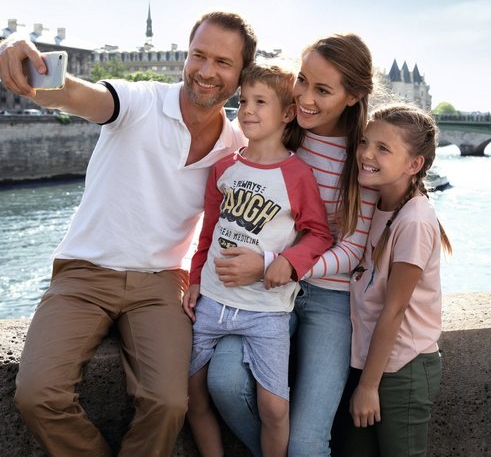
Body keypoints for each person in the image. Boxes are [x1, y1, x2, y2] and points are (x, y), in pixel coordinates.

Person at [0, 11, 257, 457]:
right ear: (185, 56)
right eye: (198, 55)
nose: (206, 71)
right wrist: (13, 48)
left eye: (223, 62)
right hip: (84, 273)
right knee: (38, 394)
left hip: (160, 284)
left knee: (169, 402)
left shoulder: (236, 148)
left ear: (241, 75)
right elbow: (77, 95)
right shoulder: (138, 101)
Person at [203, 33, 379, 456]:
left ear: (353, 97)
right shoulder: (291, 133)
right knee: (223, 383)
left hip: (325, 300)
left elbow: (351, 249)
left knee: (305, 442)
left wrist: (275, 264)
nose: (304, 98)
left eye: (323, 90)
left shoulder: (364, 155)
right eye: (302, 81)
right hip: (261, 294)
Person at [183, 63, 333, 457]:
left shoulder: (297, 175)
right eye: (242, 101)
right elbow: (209, 231)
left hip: (266, 310)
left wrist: (283, 261)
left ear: (286, 113)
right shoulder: (224, 167)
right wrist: (195, 278)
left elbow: (319, 234)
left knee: (273, 406)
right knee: (193, 397)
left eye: (260, 102)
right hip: (212, 303)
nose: (246, 110)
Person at [345, 103, 452, 456]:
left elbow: (393, 311)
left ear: (414, 164)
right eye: (365, 142)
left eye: (383, 148)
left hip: (400, 371)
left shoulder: (415, 220)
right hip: (371, 364)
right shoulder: (374, 203)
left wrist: (368, 386)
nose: (366, 154)